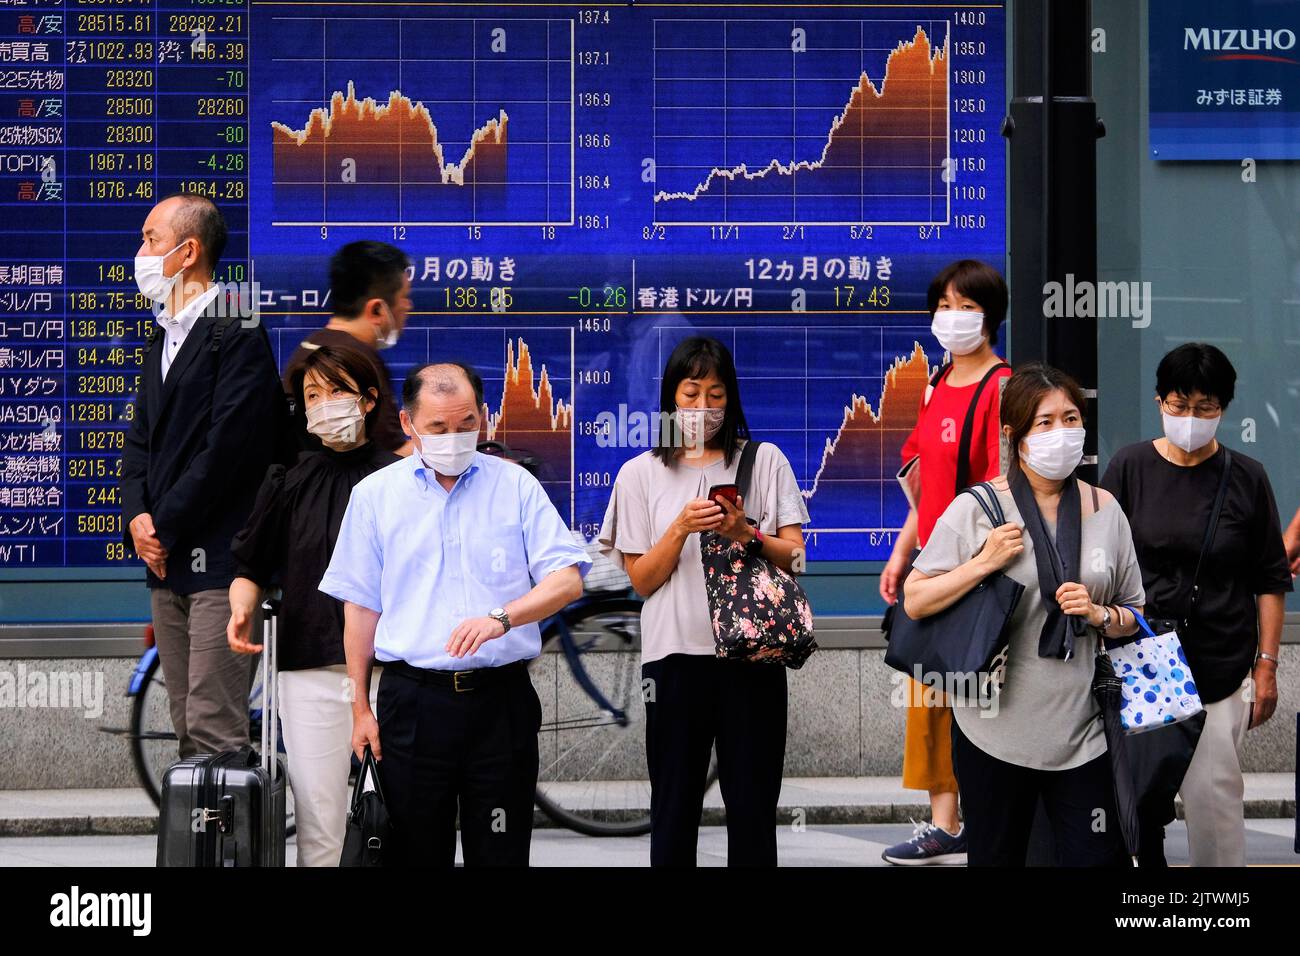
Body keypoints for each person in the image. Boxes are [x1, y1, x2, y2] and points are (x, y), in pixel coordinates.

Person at [320, 362, 590, 867]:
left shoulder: (515, 486)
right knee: (417, 855)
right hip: (413, 704)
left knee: (503, 853)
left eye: (467, 423)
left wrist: (502, 618)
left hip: (500, 701)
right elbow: (359, 608)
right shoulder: (376, 497)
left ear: (484, 418)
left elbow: (568, 578)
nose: (455, 437)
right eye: (439, 428)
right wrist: (360, 707)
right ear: (408, 424)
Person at [903, 362, 1144, 867]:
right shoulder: (980, 508)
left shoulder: (1106, 509)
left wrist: (1100, 614)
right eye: (1046, 423)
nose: (1063, 433)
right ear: (1014, 435)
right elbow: (916, 598)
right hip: (993, 733)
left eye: (1071, 418)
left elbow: (1134, 611)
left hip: (1085, 733)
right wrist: (983, 563)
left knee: (1093, 858)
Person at [598, 336, 810, 866]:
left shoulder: (764, 462)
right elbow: (642, 581)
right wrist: (678, 530)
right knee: (673, 805)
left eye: (715, 395)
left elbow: (797, 558)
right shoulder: (639, 473)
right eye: (690, 394)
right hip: (674, 660)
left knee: (754, 806)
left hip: (752, 657)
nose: (702, 408)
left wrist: (746, 532)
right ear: (670, 398)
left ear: (730, 399)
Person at [1101, 343, 1290, 866]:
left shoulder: (1247, 477)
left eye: (1205, 407)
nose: (1190, 418)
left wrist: (1267, 665)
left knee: (1214, 804)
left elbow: (1270, 580)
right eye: (1179, 405)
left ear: (1224, 408)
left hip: (1217, 666)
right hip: (1140, 662)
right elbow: (1101, 557)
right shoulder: (1129, 467)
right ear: (1160, 401)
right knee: (1135, 802)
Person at [120, 194, 286, 757]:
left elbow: (227, 452)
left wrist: (160, 526)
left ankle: (228, 846)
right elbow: (140, 439)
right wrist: (138, 519)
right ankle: (194, 844)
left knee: (215, 726)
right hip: (166, 561)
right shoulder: (161, 334)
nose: (141, 253)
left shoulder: (236, 325)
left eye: (150, 240)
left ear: (188, 251)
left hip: (220, 560)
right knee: (187, 723)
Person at [225, 345, 399, 866]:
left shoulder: (401, 481)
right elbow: (251, 566)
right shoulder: (290, 481)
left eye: (337, 391)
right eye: (312, 396)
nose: (324, 404)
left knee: (399, 816)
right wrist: (241, 609)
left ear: (368, 400)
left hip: (396, 671)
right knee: (319, 823)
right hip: (309, 670)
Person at [879, 259, 1011, 865]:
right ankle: (943, 820)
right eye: (945, 306)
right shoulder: (935, 385)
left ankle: (985, 816)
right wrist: (903, 552)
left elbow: (1001, 484)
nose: (953, 318)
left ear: (991, 317)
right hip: (931, 566)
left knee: (979, 693)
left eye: (967, 306)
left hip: (977, 566)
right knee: (928, 690)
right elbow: (927, 481)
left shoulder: (1002, 387)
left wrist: (978, 561)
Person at [281, 240, 413, 456]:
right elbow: (392, 456)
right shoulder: (358, 360)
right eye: (404, 298)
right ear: (377, 309)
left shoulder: (308, 347)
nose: (408, 306)